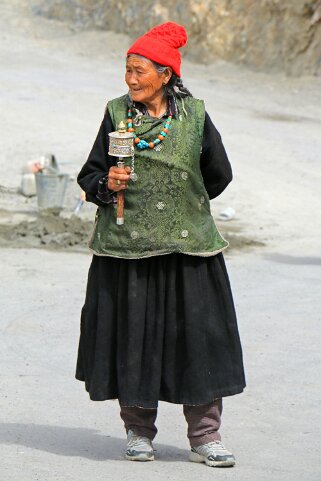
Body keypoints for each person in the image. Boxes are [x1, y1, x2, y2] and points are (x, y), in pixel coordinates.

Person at [75, 21, 245, 468]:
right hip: (127, 251)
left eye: (139, 71)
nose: (131, 79)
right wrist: (106, 184)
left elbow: (218, 174)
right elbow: (88, 175)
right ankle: (137, 431)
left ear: (166, 75)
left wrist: (184, 207)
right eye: (127, 70)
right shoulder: (116, 114)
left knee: (198, 342)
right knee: (134, 340)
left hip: (189, 251)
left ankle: (205, 437)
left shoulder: (195, 117)